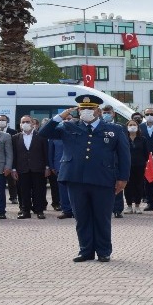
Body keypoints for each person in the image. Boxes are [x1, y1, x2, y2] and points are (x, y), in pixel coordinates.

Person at [39, 95, 130, 263]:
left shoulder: (114, 129)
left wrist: (123, 178)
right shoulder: (68, 126)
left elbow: (124, 155)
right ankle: (85, 250)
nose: (86, 112)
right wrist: (61, 116)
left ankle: (103, 251)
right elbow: (44, 132)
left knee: (102, 217)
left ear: (98, 110)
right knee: (81, 217)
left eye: (89, 109)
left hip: (103, 178)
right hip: (76, 178)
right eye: (82, 109)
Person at [12, 116, 50, 219]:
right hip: (22, 168)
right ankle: (25, 211)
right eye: (23, 122)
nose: (25, 123)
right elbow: (14, 155)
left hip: (38, 168)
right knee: (24, 191)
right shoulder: (15, 138)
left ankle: (39, 210)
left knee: (39, 190)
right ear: (20, 124)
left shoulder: (41, 136)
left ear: (33, 123)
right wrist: (14, 169)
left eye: (28, 122)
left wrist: (47, 167)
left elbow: (46, 153)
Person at [102, 105, 126, 218]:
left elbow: (124, 146)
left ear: (113, 114)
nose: (106, 114)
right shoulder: (99, 126)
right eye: (104, 112)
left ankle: (117, 209)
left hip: (115, 160)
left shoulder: (120, 127)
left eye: (108, 112)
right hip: (102, 161)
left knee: (117, 186)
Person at [49, 115, 74, 219]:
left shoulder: (77, 133)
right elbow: (51, 152)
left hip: (75, 166)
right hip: (60, 166)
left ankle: (77, 210)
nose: (66, 121)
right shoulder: (55, 134)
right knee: (63, 190)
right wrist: (52, 166)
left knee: (76, 191)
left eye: (69, 119)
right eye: (64, 119)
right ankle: (66, 210)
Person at [124, 120, 148, 214]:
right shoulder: (124, 138)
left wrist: (144, 162)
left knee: (139, 185)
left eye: (134, 125)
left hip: (140, 165)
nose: (132, 126)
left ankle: (137, 205)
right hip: (127, 165)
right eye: (130, 125)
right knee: (128, 186)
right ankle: (129, 206)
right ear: (127, 127)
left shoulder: (142, 139)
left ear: (138, 127)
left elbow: (146, 153)